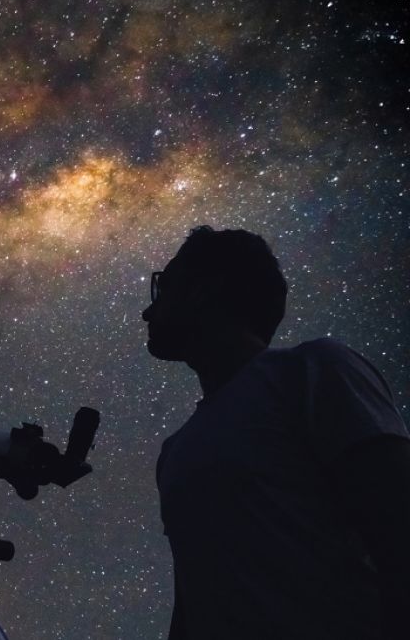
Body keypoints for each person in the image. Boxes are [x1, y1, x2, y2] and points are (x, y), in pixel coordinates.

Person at [141, 226, 410, 640]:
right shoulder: (175, 451)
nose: (147, 312)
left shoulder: (315, 371)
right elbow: (195, 596)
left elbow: (395, 520)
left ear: (205, 291)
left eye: (165, 287)